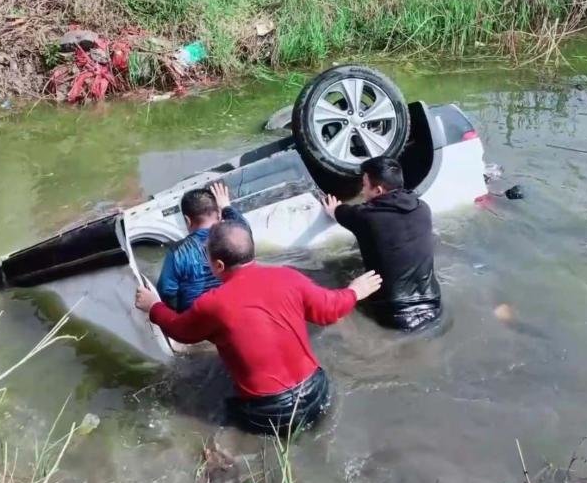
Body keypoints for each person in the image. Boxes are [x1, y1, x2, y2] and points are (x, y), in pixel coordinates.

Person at [134, 221, 382, 434]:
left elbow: (180, 331)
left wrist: (153, 306)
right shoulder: (289, 277)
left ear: (218, 266)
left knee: (215, 415)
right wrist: (354, 290)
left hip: (269, 413)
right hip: (317, 393)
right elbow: (330, 310)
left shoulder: (212, 304)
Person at [321, 156, 443, 332]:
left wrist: (333, 208)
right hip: (434, 304)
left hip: (393, 313)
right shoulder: (423, 208)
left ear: (378, 190)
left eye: (364, 185)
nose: (362, 192)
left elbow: (338, 211)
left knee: (337, 275)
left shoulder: (365, 216)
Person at [156, 181, 248, 313]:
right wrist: (227, 207)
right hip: (235, 311)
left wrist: (177, 317)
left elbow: (166, 291)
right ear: (219, 214)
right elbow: (244, 227)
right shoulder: (235, 237)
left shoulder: (177, 252)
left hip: (195, 320)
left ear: (187, 220)